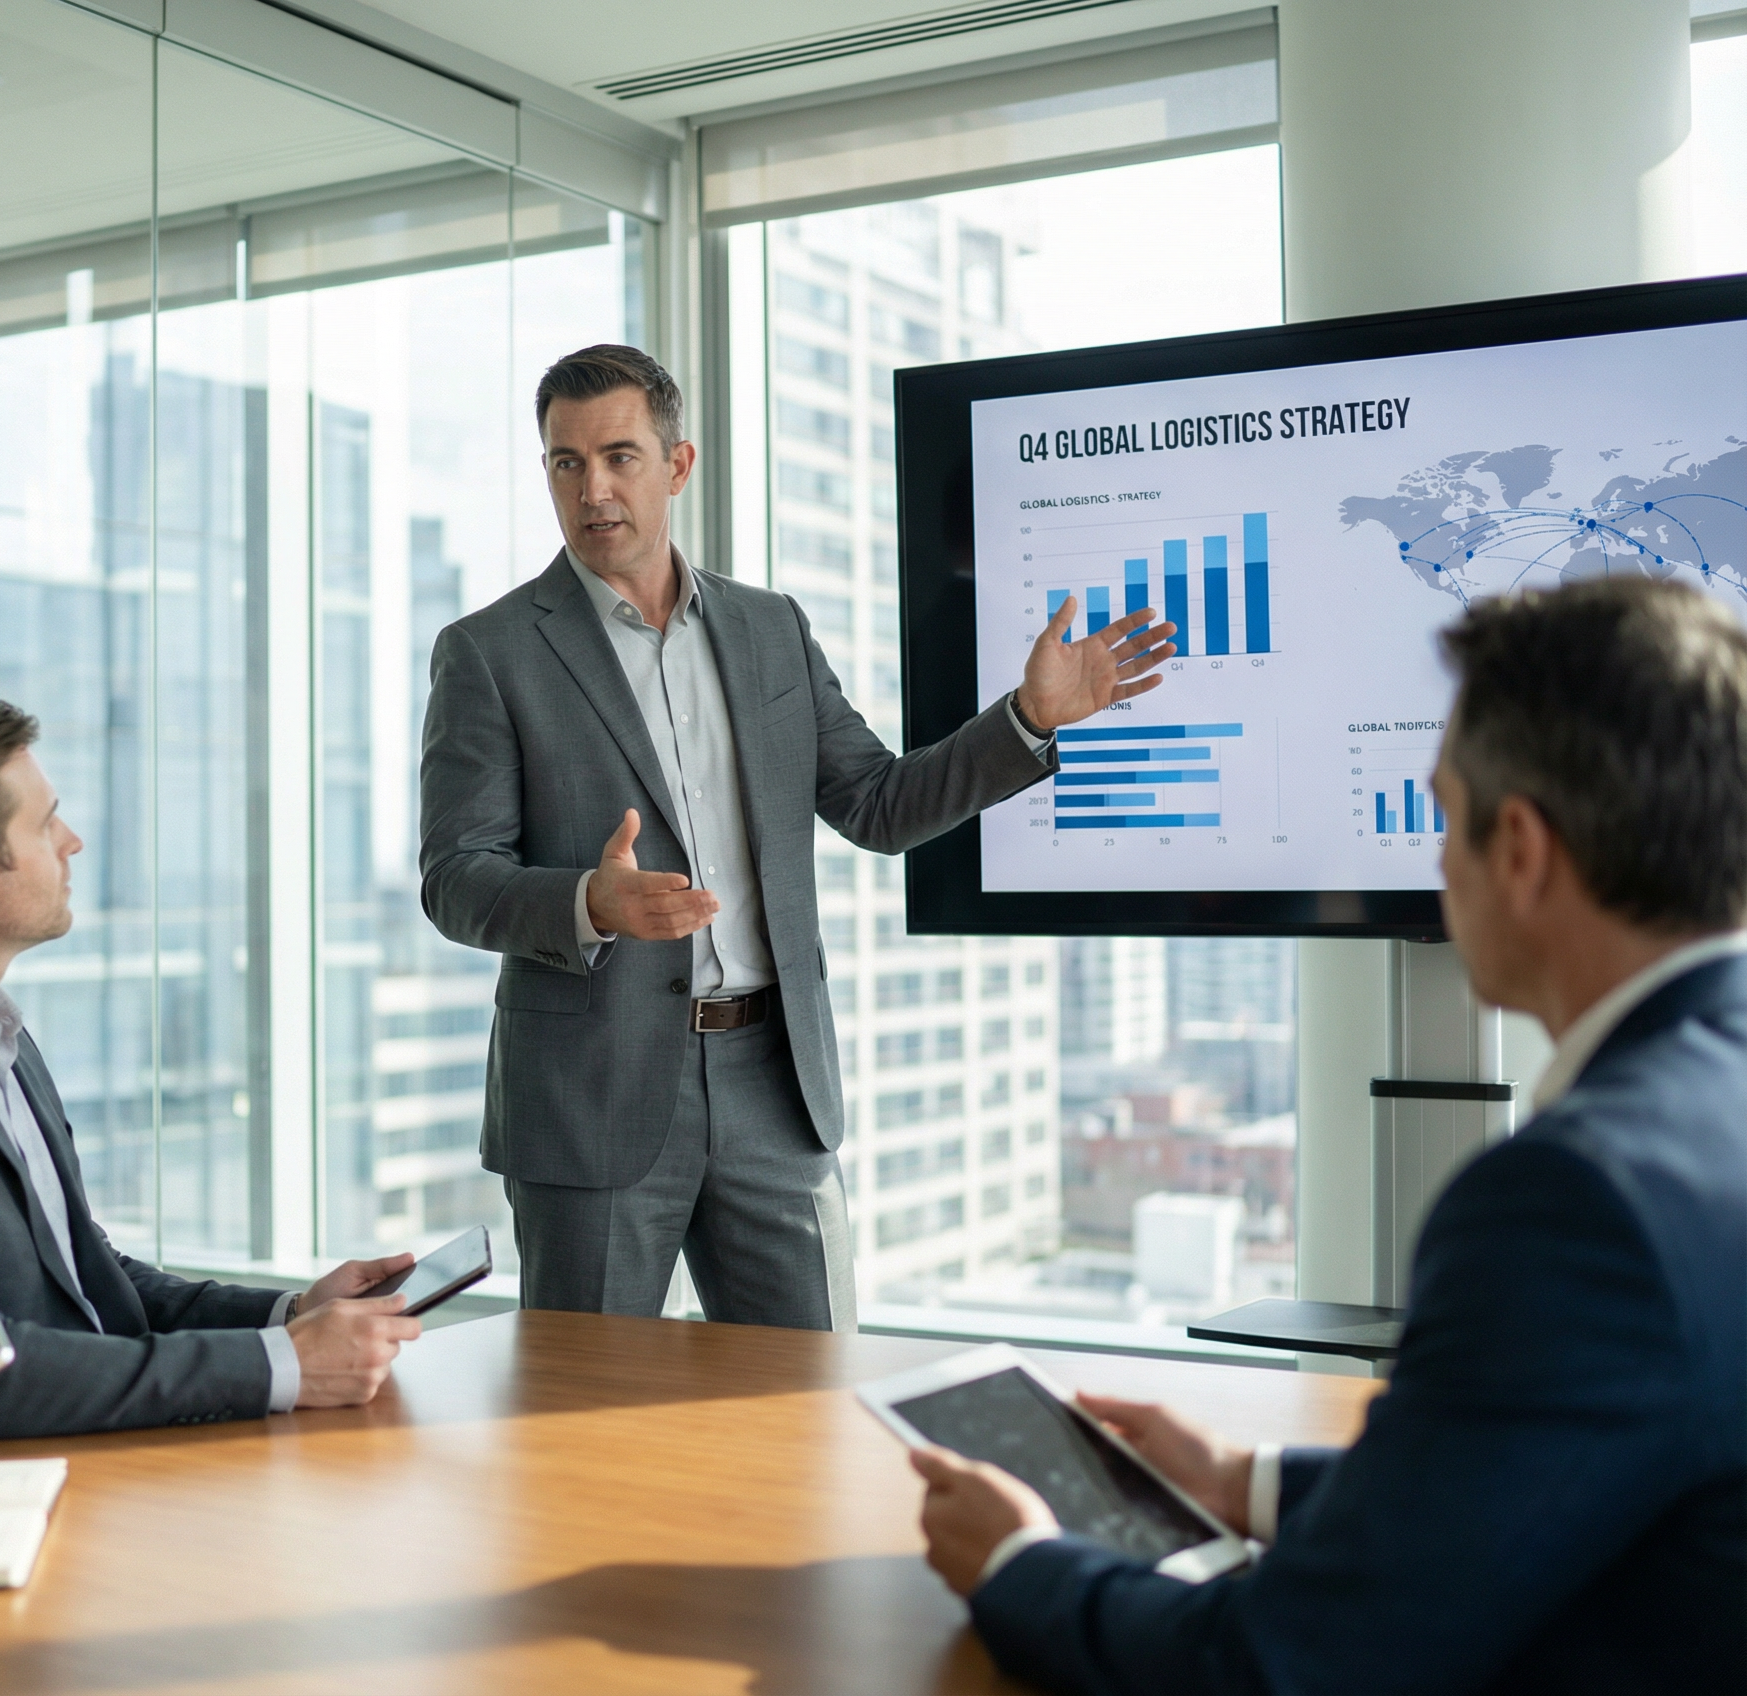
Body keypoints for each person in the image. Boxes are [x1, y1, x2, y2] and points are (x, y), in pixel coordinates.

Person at [914, 576, 1747, 1692]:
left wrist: (1018, 1561)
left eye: (1440, 817)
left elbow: (1273, 1669)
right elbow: (1556, 1471)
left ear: (1522, 850)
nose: (1429, 861)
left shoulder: (1576, 1199)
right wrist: (1241, 1481)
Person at [418, 345, 1173, 1328]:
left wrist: (1024, 721)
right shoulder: (489, 650)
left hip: (773, 1082)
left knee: (813, 1407)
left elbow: (878, 803)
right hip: (590, 1094)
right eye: (566, 463)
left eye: (618, 456)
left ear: (676, 464)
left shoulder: (768, 628)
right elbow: (454, 876)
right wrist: (583, 901)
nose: (592, 487)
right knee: (578, 1424)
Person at [0, 701, 422, 1443]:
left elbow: (86, 1277)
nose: (72, 841)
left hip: (81, 1443)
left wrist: (288, 1318)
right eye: (43, 824)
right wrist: (279, 1365)